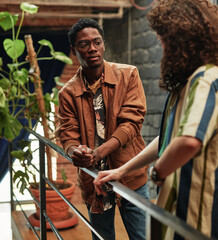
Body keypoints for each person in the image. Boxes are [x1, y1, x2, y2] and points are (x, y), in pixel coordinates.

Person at [94, 0, 218, 239]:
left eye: (164, 39)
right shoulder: (188, 84)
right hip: (180, 209)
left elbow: (188, 142)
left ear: (180, 39)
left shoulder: (205, 79)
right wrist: (122, 170)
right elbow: (168, 138)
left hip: (200, 213)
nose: (162, 46)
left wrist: (157, 173)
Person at [56, 18, 149, 240]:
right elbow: (67, 134)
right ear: (73, 50)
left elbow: (132, 122)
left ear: (103, 44)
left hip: (129, 174)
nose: (92, 49)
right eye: (84, 44)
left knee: (142, 236)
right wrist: (74, 152)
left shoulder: (128, 75)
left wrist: (99, 152)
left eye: (97, 42)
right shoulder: (67, 93)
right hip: (94, 181)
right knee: (102, 237)